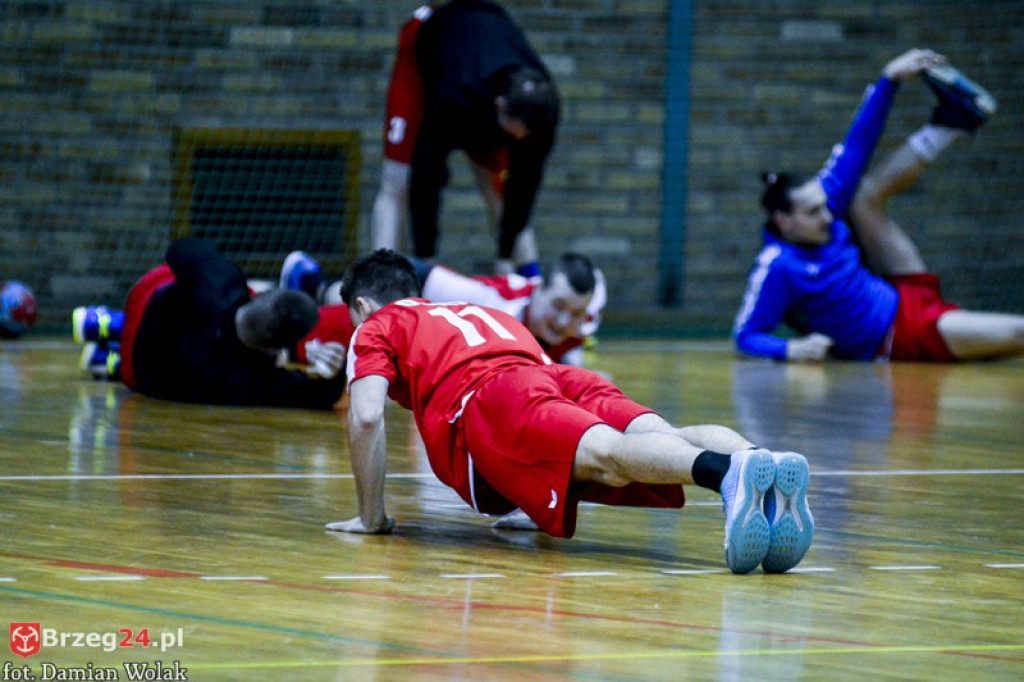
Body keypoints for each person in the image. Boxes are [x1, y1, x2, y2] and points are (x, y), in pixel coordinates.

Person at [325, 249, 815, 575]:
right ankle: (761, 466)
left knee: (609, 455)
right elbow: (538, 424)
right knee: (665, 433)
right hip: (553, 374)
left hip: (496, 397)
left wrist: (372, 517)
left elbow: (366, 416)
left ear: (364, 306)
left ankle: (727, 473)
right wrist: (531, 504)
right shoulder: (475, 313)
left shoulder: (376, 326)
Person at [733, 49, 1024, 362]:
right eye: (813, 212)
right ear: (784, 221)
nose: (828, 216)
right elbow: (745, 335)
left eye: (824, 206)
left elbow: (857, 145)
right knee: (1019, 332)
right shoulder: (778, 265)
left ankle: (950, 123)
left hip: (900, 287)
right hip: (901, 334)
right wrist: (791, 348)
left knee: (863, 195)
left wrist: (890, 79)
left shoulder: (823, 202)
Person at [371, 0, 560, 276]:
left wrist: (504, 256)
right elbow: (427, 172)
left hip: (478, 46)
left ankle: (527, 281)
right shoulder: (458, 95)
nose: (519, 138)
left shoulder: (543, 110)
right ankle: (378, 277)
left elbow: (526, 183)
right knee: (398, 179)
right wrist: (427, 258)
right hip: (427, 52)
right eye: (514, 130)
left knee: (501, 188)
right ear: (499, 105)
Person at [75, 238, 348, 409]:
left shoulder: (223, 280)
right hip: (139, 375)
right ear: (273, 350)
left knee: (177, 274)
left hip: (144, 312)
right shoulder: (247, 379)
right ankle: (110, 359)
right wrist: (333, 373)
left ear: (259, 295)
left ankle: (115, 325)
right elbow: (316, 398)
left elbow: (180, 249)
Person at [417, 252, 606, 365]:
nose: (563, 321)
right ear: (538, 289)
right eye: (558, 306)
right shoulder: (498, 303)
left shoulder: (584, 325)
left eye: (577, 313)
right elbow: (418, 273)